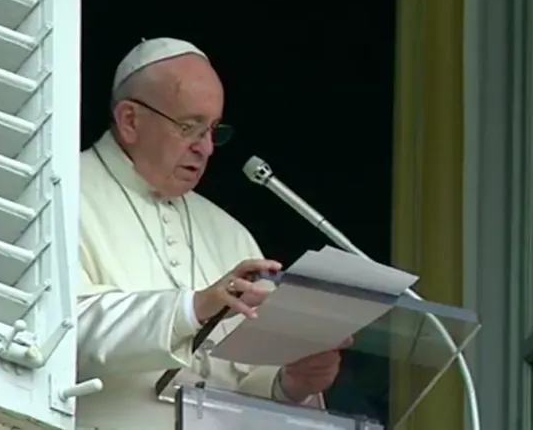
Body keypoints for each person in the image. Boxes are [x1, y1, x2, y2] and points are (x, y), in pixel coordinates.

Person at [75, 38, 346, 430]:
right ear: (130, 120)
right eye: (189, 127)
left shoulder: (229, 234)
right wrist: (192, 309)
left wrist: (289, 385)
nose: (205, 148)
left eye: (213, 131)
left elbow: (244, 379)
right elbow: (60, 329)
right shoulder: (60, 193)